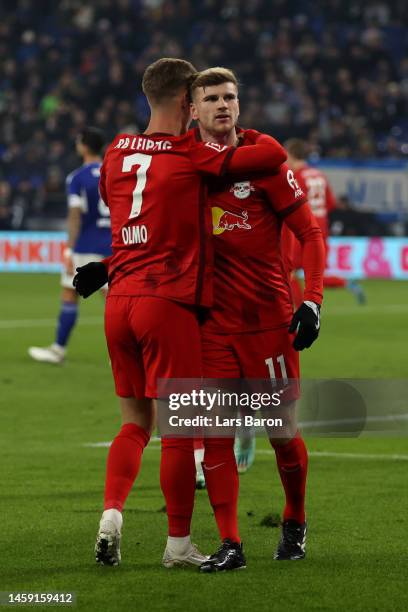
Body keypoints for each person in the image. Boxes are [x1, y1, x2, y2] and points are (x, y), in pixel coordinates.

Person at [75, 58, 288, 569]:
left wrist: (108, 265)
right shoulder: (192, 153)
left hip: (118, 302)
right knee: (180, 429)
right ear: (186, 103)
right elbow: (273, 156)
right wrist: (246, 131)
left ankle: (111, 514)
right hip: (165, 304)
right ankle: (177, 546)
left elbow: (135, 222)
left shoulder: (115, 150)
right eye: (201, 100)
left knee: (132, 424)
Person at [188, 68, 325, 571]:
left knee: (281, 432)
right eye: (213, 99)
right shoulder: (183, 164)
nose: (224, 105)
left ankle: (295, 518)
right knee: (215, 431)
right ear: (193, 110)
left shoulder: (265, 161)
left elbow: (309, 233)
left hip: (268, 321)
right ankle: (231, 543)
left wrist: (311, 301)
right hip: (211, 324)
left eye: (230, 97)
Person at [28, 127, 110, 364]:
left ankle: (58, 350)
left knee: (69, 294)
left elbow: (75, 216)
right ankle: (128, 354)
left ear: (84, 146)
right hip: (114, 245)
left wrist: (68, 250)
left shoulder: (77, 177)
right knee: (116, 302)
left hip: (86, 245)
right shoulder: (114, 172)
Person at [282, 138, 366, 307]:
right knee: (313, 275)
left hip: (302, 231)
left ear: (291, 155)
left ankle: (296, 313)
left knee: (289, 271)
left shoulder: (295, 176)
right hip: (321, 231)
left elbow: (291, 205)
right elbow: (331, 203)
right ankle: (345, 283)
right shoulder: (319, 174)